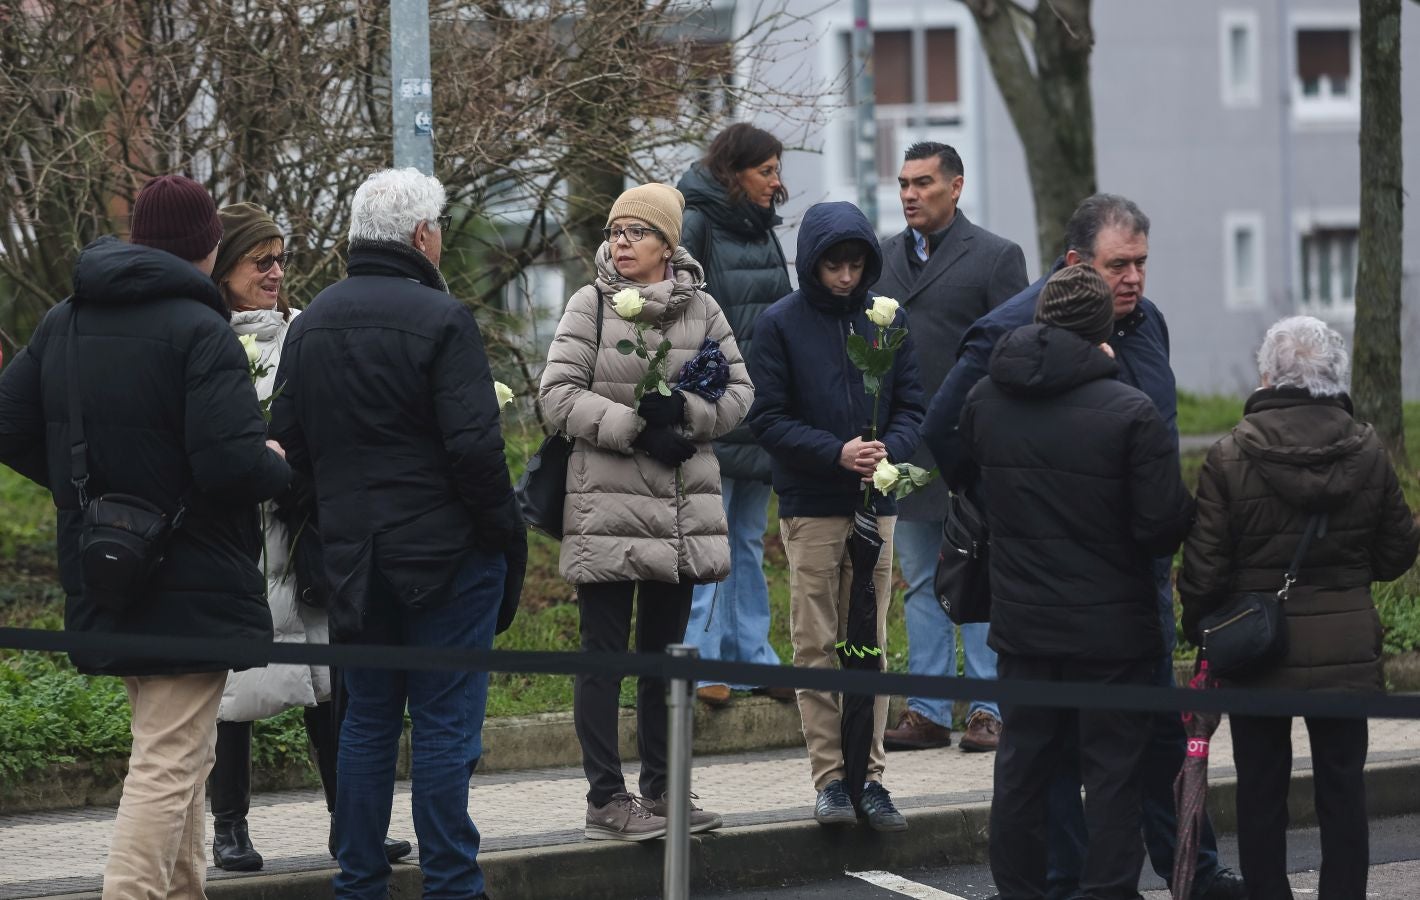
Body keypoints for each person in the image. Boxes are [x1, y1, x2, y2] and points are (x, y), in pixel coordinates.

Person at [922, 194, 1247, 900]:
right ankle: (1074, 883)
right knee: (1078, 761)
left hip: (1128, 592)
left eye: (1140, 264)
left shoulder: (1145, 326)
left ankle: (1192, 869)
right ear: (1075, 266)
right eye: (1117, 265)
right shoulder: (1003, 337)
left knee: (1145, 741)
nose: (1132, 278)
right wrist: (1017, 511)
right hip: (1068, 595)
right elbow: (947, 437)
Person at [0, 174, 291, 897]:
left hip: (108, 564)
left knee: (181, 753)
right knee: (168, 761)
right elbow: (228, 463)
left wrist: (93, 498)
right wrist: (276, 465)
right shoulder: (201, 330)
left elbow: (8, 426)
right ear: (206, 246)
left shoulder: (63, 319)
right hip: (189, 571)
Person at [269, 168, 525, 899]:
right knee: (445, 727)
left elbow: (286, 449)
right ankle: (451, 885)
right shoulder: (443, 321)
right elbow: (477, 454)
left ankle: (358, 883)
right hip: (448, 559)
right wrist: (503, 539)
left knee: (365, 724)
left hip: (355, 561)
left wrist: (336, 524)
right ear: (422, 236)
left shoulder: (310, 322)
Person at [960, 263, 1194, 900]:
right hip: (1112, 631)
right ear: (1101, 332)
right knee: (1114, 774)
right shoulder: (1130, 410)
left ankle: (1020, 891)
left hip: (1022, 623)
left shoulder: (985, 398)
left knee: (1022, 770)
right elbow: (1160, 529)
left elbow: (968, 477)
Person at [538, 182, 753, 841]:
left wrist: (685, 413)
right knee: (603, 654)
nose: (621, 243)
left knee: (664, 658)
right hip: (607, 509)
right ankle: (606, 797)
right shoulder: (590, 305)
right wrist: (635, 425)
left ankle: (663, 791)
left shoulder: (702, 309)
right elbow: (556, 396)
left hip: (680, 517)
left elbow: (741, 392)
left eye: (637, 232)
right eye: (615, 231)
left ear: (668, 244)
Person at [1180, 316, 1419, 900]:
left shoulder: (1230, 455)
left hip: (1260, 651)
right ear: (1334, 376)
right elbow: (1393, 556)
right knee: (1343, 789)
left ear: (1268, 374)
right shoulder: (1368, 451)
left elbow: (1203, 572)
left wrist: (1202, 632)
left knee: (1262, 791)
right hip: (1345, 653)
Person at [205, 202, 411, 871]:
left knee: (330, 689)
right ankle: (228, 827)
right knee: (234, 693)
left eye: (280, 259)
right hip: (236, 542)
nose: (275, 273)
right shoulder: (204, 337)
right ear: (225, 266)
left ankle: (353, 825)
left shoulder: (304, 331)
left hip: (304, 536)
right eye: (259, 261)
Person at [747, 201, 924, 832]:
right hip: (812, 506)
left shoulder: (887, 320)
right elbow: (765, 417)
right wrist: (834, 452)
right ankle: (829, 780)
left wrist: (888, 451)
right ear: (811, 264)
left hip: (876, 503)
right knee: (817, 643)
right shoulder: (779, 325)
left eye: (855, 265)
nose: (845, 278)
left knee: (869, 643)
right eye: (833, 266)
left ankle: (870, 778)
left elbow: (912, 405)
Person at [877, 141, 1026, 754]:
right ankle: (928, 709)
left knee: (982, 578)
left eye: (924, 183)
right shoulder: (882, 258)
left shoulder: (995, 257)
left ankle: (990, 710)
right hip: (907, 448)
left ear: (956, 187)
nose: (910, 193)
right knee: (919, 582)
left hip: (974, 450)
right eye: (904, 183)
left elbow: (1015, 354)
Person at [677, 123, 794, 708]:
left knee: (746, 538)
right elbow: (673, 314)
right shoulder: (694, 221)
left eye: (777, 170)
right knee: (708, 537)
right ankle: (703, 665)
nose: (777, 182)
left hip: (762, 404)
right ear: (733, 171)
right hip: (713, 406)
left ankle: (755, 657)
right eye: (766, 171)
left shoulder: (763, 229)